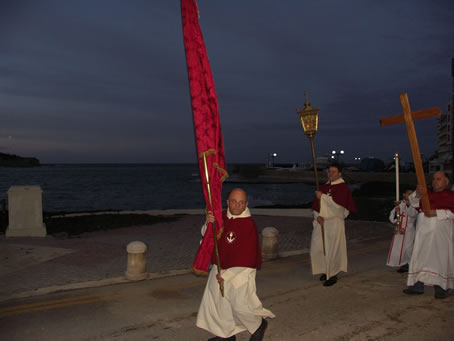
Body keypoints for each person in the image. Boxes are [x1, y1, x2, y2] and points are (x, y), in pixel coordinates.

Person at [196, 188, 275, 341]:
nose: (237, 205)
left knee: (240, 306)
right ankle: (226, 335)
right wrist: (209, 222)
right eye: (233, 201)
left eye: (241, 202)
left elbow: (247, 256)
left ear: (246, 204)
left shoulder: (248, 224)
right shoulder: (221, 217)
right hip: (220, 268)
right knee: (220, 304)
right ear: (227, 202)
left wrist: (226, 275)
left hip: (241, 272)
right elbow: (208, 238)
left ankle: (259, 325)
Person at [403, 171, 454, 299]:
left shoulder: (450, 195)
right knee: (420, 256)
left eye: (438, 179)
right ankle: (416, 286)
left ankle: (441, 289)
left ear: (446, 182)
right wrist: (418, 193)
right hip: (423, 231)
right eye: (433, 179)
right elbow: (413, 203)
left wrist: (437, 213)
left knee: (440, 258)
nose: (435, 181)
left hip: (441, 233)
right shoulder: (426, 193)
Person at [311, 164, 356, 287]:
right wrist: (318, 216)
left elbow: (339, 208)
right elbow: (316, 206)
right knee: (318, 247)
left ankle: (333, 274)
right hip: (322, 222)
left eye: (333, 172)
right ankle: (325, 270)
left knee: (333, 249)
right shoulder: (324, 187)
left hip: (334, 222)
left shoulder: (343, 188)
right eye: (329, 172)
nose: (330, 174)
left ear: (339, 174)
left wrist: (323, 197)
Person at [386, 189, 418, 273]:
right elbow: (392, 214)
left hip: (409, 229)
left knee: (408, 248)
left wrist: (408, 206)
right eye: (409, 193)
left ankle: (411, 264)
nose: (410, 195)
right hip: (400, 228)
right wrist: (395, 221)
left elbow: (413, 214)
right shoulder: (400, 203)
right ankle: (403, 264)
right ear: (404, 194)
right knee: (400, 247)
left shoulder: (414, 204)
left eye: (412, 193)